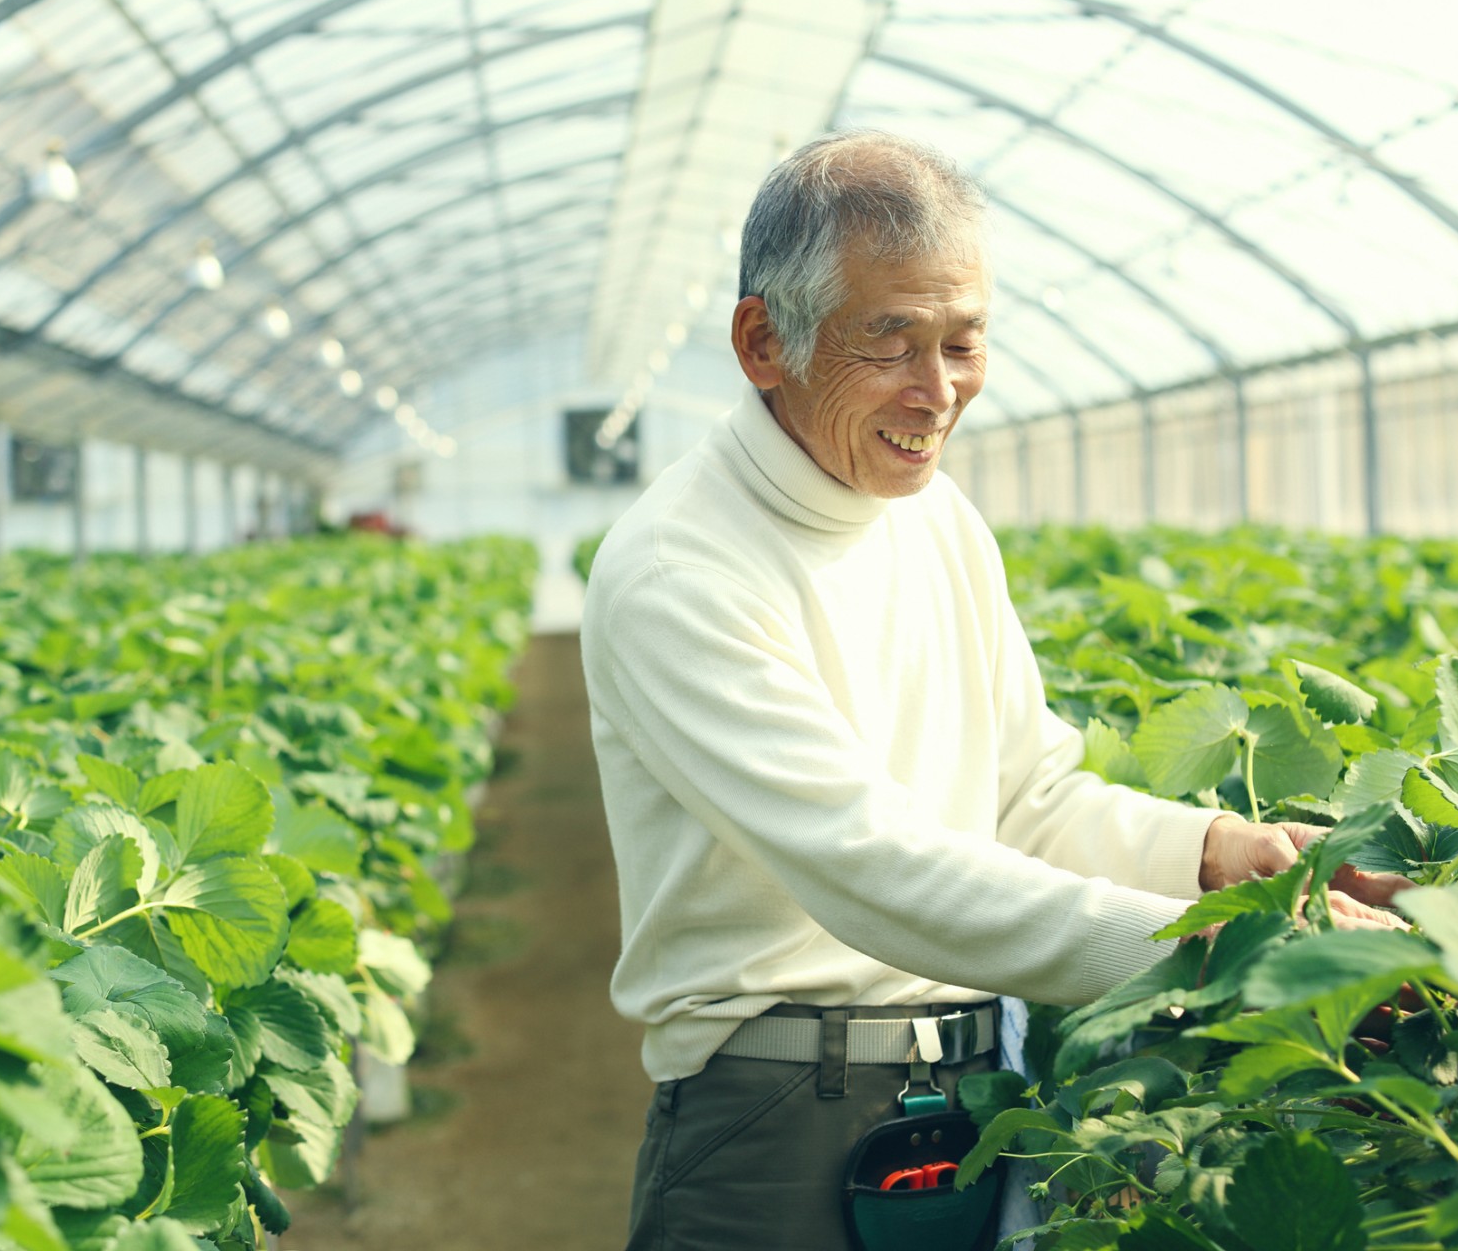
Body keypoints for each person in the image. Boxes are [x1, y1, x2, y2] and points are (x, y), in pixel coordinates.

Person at [579, 130, 1409, 1250]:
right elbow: (875, 871)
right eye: (892, 343)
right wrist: (1228, 944)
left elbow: (1028, 797)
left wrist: (1224, 856)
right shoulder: (680, 569)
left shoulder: (935, 516)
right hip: (776, 1118)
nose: (938, 392)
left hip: (978, 1092)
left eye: (964, 343)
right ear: (763, 341)